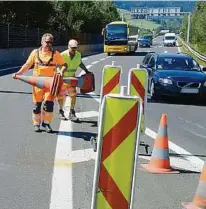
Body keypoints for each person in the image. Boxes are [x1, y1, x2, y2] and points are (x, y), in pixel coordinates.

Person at [13, 33, 67, 133]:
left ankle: (46, 124)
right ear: (42, 42)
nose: (49, 44)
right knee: (37, 105)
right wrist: (18, 74)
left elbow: (64, 65)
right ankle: (36, 124)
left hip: (50, 85)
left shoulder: (55, 54)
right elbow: (27, 65)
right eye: (47, 42)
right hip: (37, 84)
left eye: (51, 42)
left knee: (49, 105)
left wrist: (61, 71)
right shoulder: (35, 53)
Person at [57, 39, 91, 121]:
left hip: (72, 78)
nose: (74, 49)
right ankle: (60, 111)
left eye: (75, 48)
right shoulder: (63, 55)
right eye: (72, 48)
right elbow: (56, 65)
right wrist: (58, 73)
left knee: (73, 95)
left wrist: (86, 71)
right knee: (61, 96)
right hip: (63, 78)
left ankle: (72, 113)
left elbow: (80, 63)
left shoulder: (78, 55)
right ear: (68, 46)